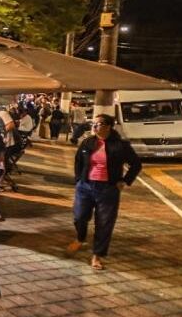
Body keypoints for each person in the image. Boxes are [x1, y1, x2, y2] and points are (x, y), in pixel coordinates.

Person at [67, 114, 142, 270]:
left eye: (98, 124)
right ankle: (80, 238)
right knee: (79, 217)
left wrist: (125, 181)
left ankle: (97, 255)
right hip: (85, 187)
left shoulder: (120, 145)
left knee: (104, 223)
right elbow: (78, 161)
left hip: (108, 189)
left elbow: (136, 164)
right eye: (93, 124)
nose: (94, 127)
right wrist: (78, 180)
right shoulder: (88, 142)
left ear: (108, 127)